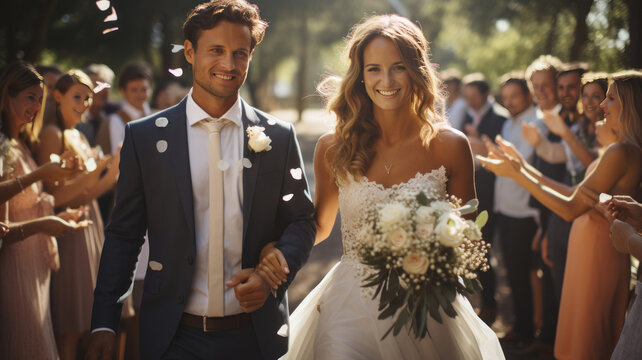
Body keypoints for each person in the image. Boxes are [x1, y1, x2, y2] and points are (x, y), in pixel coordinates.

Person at [259, 14, 504, 359]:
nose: (386, 80)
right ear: (360, 76)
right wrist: (277, 248)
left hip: (427, 306)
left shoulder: (451, 144)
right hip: (350, 302)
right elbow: (321, 225)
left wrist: (433, 246)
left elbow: (466, 234)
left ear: (416, 70)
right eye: (373, 68)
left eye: (398, 67)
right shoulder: (333, 147)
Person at [86, 1, 316, 359]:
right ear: (190, 52)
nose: (229, 64)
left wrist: (273, 273)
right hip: (173, 337)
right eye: (217, 51)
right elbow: (124, 234)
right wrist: (104, 321)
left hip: (255, 336)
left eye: (240, 53)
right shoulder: (144, 138)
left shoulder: (280, 136)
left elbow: (301, 220)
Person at [478, 70, 642, 360]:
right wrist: (522, 167)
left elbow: (569, 208)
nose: (602, 105)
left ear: (630, 104)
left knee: (587, 340)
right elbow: (572, 193)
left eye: (611, 97)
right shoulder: (622, 150)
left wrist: (516, 173)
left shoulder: (621, 151)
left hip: (597, 250)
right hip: (589, 245)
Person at [0, 61, 90, 358]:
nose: (37, 105)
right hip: (15, 269)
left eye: (40, 99)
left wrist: (55, 215)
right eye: (30, 97)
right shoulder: (3, 145)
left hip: (35, 268)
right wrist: (42, 223)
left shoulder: (21, 143)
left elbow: (29, 204)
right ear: (7, 95)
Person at [37, 69, 121, 360]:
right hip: (69, 232)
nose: (84, 104)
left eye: (87, 98)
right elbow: (56, 198)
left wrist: (115, 171)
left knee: (89, 326)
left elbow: (88, 194)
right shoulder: (52, 133)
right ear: (57, 96)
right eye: (77, 97)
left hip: (90, 225)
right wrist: (98, 171)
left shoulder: (79, 135)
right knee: (71, 329)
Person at [491, 72, 544, 347]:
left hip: (525, 211)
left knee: (523, 273)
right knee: (512, 271)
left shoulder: (535, 122)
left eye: (515, 96)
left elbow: (522, 165)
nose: (510, 102)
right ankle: (519, 326)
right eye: (506, 97)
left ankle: (527, 330)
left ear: (527, 95)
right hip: (507, 208)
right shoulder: (510, 122)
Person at [460, 72, 506, 326]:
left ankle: (490, 305)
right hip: (475, 188)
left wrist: (477, 144)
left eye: (473, 97)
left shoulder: (499, 119)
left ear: (486, 95)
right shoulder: (469, 116)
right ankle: (482, 303)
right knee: (475, 245)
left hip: (493, 190)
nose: (470, 101)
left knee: (485, 247)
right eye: (467, 97)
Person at [76, 63, 119, 147]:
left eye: (107, 85)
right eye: (97, 85)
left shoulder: (113, 117)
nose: (103, 90)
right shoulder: (75, 118)